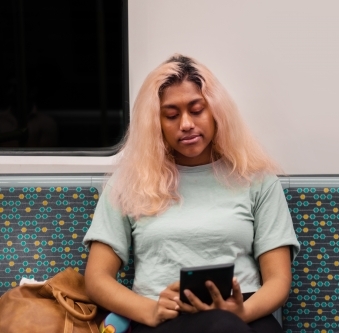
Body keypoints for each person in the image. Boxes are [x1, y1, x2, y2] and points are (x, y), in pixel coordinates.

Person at [83, 54, 300, 333]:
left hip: (244, 310)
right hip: (163, 314)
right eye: (171, 115)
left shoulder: (256, 179)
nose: (186, 124)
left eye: (197, 110)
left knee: (228, 326)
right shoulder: (129, 184)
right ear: (156, 123)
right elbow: (97, 278)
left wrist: (242, 312)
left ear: (216, 113)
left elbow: (278, 279)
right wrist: (150, 310)